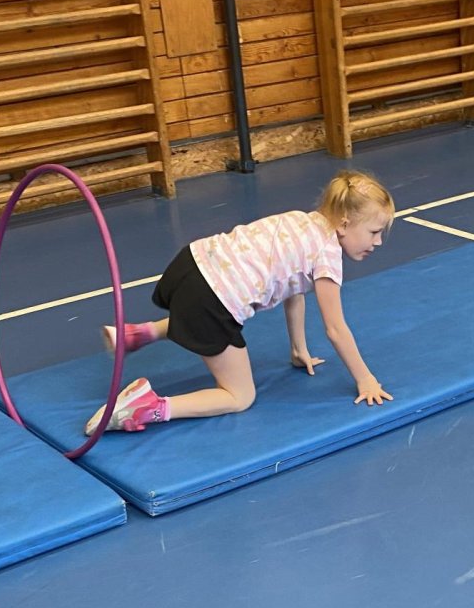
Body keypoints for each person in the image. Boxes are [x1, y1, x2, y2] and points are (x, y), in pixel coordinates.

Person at [86, 169, 395, 434]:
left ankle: (139, 334)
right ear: (344, 224)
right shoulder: (327, 255)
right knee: (240, 396)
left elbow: (294, 291)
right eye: (374, 232)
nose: (378, 242)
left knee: (196, 315)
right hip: (209, 298)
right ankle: (146, 407)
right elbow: (336, 329)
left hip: (190, 263)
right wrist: (365, 379)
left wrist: (298, 349)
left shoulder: (303, 221)